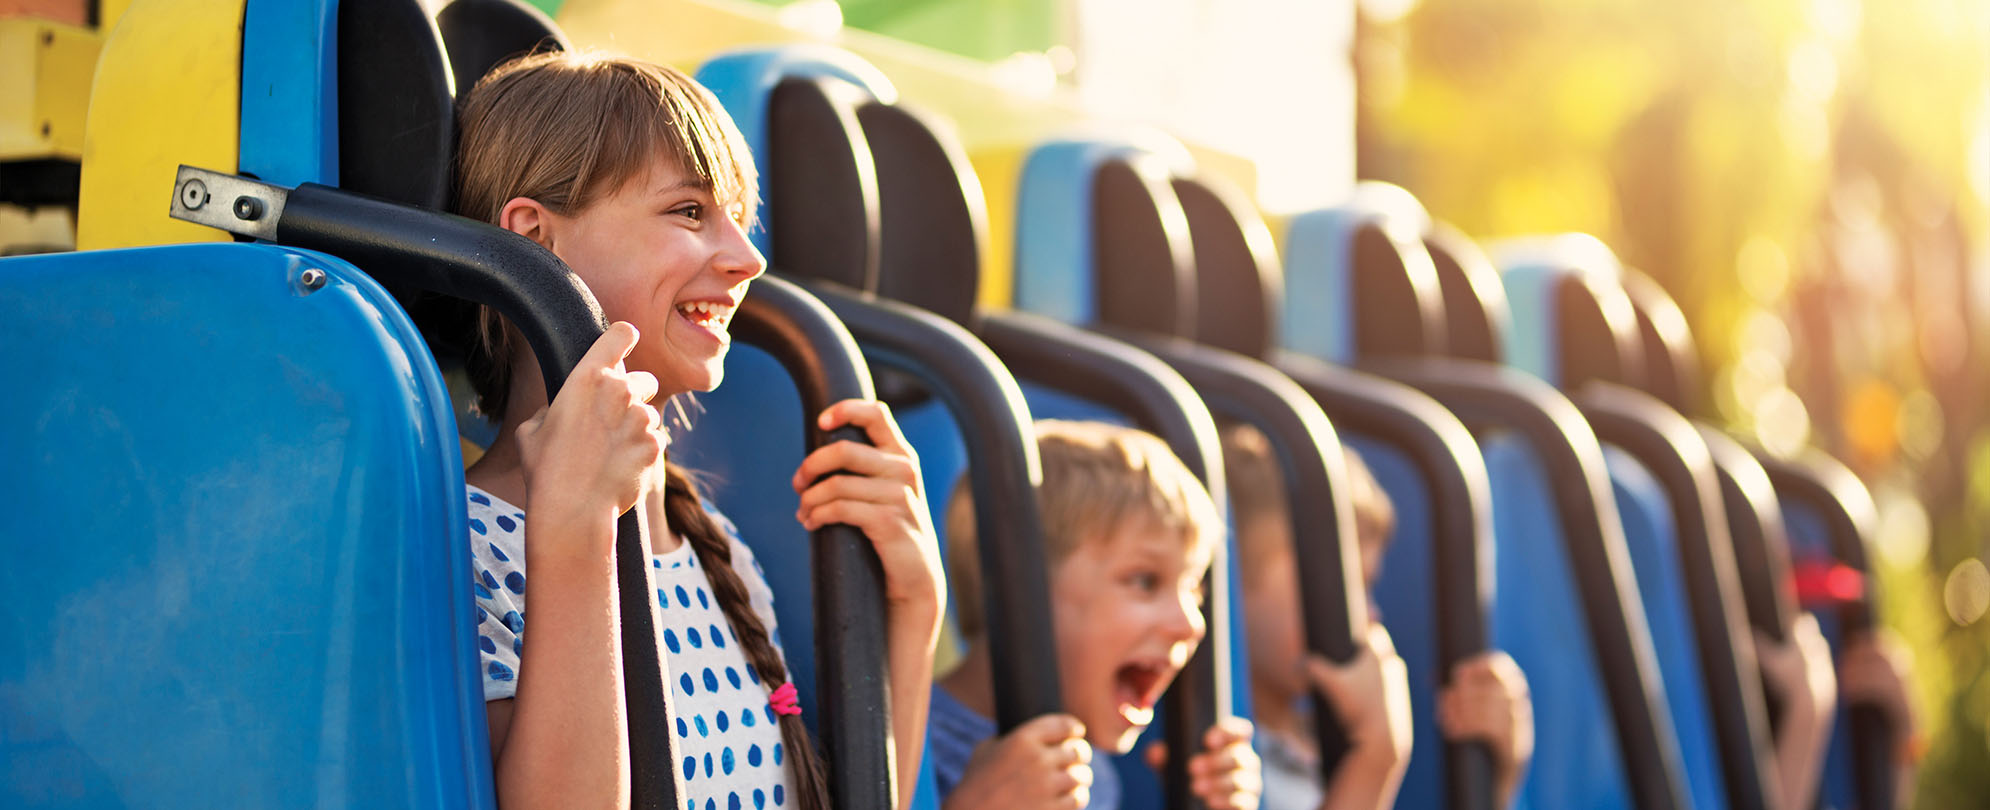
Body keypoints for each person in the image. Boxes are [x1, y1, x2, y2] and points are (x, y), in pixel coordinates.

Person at [453, 51, 944, 810]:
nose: (749, 259)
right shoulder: (463, 548)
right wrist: (576, 533)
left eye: (741, 221)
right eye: (689, 211)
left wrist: (914, 609)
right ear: (534, 241)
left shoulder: (717, 552)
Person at [932, 420, 1262, 810]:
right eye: (1144, 581)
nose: (1191, 624)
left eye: (1193, 589)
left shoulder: (1089, 768)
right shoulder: (913, 742)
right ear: (1018, 587)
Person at [1223, 424, 1532, 810]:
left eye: (1368, 588)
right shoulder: (1227, 767)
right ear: (1232, 579)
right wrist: (1377, 756)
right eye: (1342, 585)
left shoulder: (1325, 740)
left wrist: (1498, 780)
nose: (1369, 614)